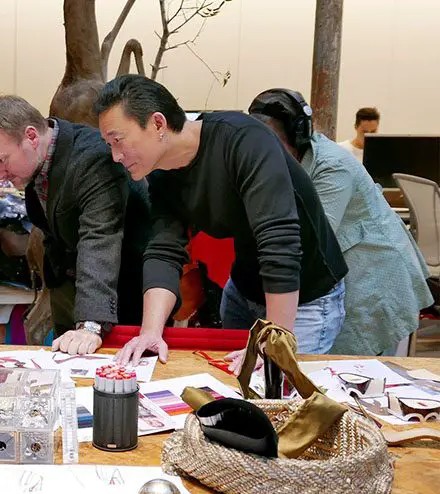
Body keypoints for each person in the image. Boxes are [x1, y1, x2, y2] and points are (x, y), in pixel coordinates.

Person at [93, 75, 348, 366]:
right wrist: (151, 332)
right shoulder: (162, 173)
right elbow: (164, 249)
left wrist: (275, 339)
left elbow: (279, 243)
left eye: (118, 141)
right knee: (231, 392)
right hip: (244, 289)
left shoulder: (243, 140)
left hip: (303, 299)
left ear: (158, 124)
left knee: (277, 394)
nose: (115, 156)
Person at [249, 89, 433, 355]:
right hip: (342, 267)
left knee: (359, 368)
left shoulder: (333, 166)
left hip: (374, 270)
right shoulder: (290, 160)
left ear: (297, 134)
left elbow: (310, 239)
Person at [0, 95, 150, 356]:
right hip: (71, 276)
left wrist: (90, 324)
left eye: (2, 161)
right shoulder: (38, 159)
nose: (0, 175)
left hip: (124, 289)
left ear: (31, 136)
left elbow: (99, 238)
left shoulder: (93, 159)